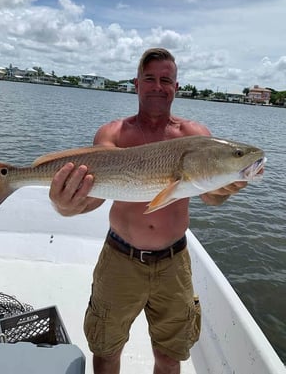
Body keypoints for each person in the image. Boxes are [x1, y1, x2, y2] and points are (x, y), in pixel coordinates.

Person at [49, 48, 247, 374]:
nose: (158, 86)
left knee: (170, 357)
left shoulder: (196, 136)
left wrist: (225, 189)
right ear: (136, 84)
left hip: (174, 263)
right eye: (150, 79)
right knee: (106, 351)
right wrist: (65, 205)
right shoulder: (112, 134)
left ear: (176, 87)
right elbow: (97, 196)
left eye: (165, 79)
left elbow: (210, 198)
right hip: (120, 259)